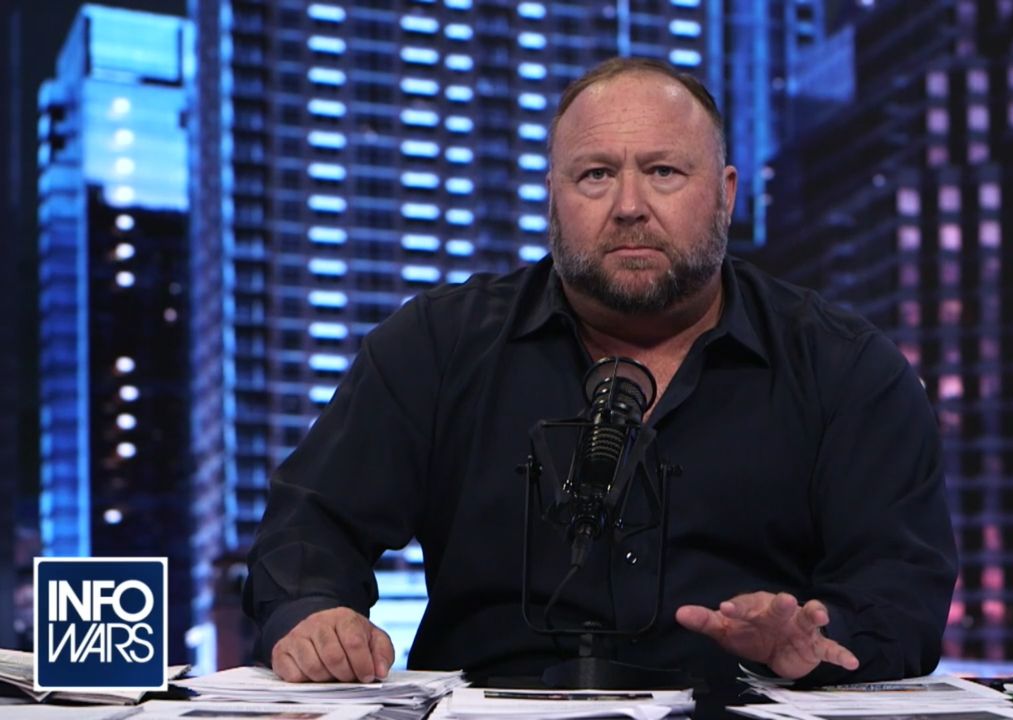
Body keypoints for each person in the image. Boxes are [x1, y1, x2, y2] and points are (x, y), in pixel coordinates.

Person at [244, 57, 957, 691]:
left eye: (664, 171)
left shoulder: (845, 368)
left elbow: (900, 588)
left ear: (726, 193)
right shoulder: (437, 344)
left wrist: (809, 642)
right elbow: (310, 522)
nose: (629, 207)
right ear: (553, 195)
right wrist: (315, 614)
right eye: (596, 175)